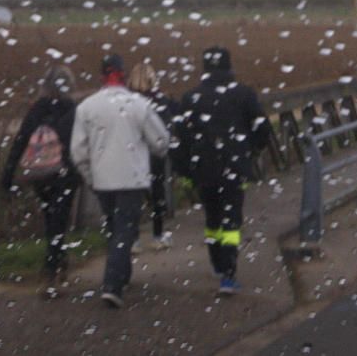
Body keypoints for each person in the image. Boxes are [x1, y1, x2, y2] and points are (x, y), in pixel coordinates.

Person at [70, 53, 170, 309]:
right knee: (125, 230)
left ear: (102, 76)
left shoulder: (86, 107)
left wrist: (92, 176)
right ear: (123, 74)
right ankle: (113, 285)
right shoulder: (138, 105)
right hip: (132, 178)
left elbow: (78, 152)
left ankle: (122, 277)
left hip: (103, 180)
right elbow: (161, 142)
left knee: (115, 229)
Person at [173, 45, 274, 295]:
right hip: (235, 168)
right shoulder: (244, 94)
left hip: (203, 170)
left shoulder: (190, 98)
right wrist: (252, 149)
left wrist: (185, 171)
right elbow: (262, 128)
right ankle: (229, 275)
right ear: (230, 68)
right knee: (232, 220)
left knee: (212, 218)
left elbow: (180, 139)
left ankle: (217, 263)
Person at [1, 65, 79, 298]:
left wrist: (8, 174)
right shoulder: (73, 110)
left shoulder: (37, 109)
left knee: (50, 216)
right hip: (65, 172)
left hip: (39, 174)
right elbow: (81, 142)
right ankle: (52, 270)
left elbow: (21, 140)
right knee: (60, 218)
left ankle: (58, 260)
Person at [127, 61, 176, 252]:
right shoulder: (160, 101)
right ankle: (157, 235)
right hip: (154, 154)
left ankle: (134, 239)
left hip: (133, 154)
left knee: (135, 196)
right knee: (157, 194)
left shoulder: (128, 100)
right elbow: (166, 127)